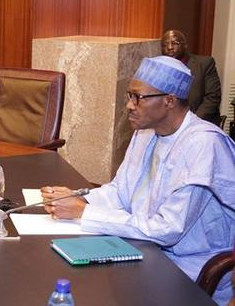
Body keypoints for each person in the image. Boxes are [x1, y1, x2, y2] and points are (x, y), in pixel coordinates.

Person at [41, 56, 235, 305]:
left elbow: (167, 230)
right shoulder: (145, 131)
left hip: (185, 267)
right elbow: (120, 192)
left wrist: (84, 213)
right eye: (129, 96)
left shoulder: (204, 144)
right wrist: (75, 198)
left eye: (138, 97)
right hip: (141, 248)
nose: (130, 106)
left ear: (169, 100)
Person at [161, 30, 222, 124]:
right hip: (169, 125)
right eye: (164, 45)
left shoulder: (204, 64)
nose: (169, 48)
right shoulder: (159, 67)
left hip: (200, 123)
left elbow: (213, 98)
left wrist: (191, 122)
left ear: (185, 45)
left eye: (174, 43)